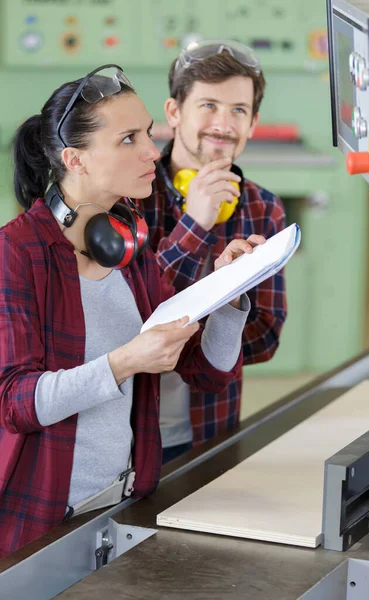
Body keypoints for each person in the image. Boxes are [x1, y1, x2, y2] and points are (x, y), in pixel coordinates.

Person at [0, 64, 262, 558]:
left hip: (122, 505)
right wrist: (125, 361)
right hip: (44, 519)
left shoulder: (128, 244)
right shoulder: (17, 251)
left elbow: (203, 373)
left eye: (146, 133)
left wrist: (229, 297)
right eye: (128, 139)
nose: (150, 151)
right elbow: (16, 402)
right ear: (75, 159)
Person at [141, 41, 287, 462]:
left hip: (210, 431)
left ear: (253, 122)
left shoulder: (263, 208)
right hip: (130, 434)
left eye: (238, 110)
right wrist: (195, 226)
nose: (223, 124)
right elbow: (127, 320)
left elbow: (266, 336)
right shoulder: (131, 196)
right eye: (208, 105)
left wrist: (211, 321)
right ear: (174, 112)